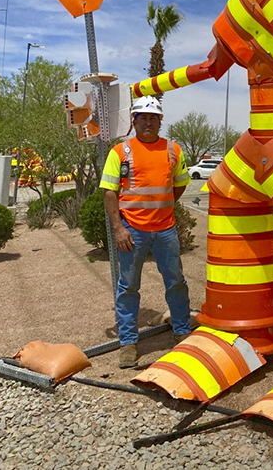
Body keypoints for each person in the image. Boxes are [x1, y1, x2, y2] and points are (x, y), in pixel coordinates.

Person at [99, 95, 192, 368]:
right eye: (143, 118)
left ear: (160, 121)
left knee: (176, 281)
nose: (148, 122)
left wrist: (164, 208)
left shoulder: (173, 150)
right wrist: (118, 228)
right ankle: (128, 343)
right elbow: (109, 193)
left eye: (153, 118)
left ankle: (182, 332)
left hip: (165, 230)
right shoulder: (120, 152)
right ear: (134, 121)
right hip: (132, 231)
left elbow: (180, 184)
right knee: (128, 287)